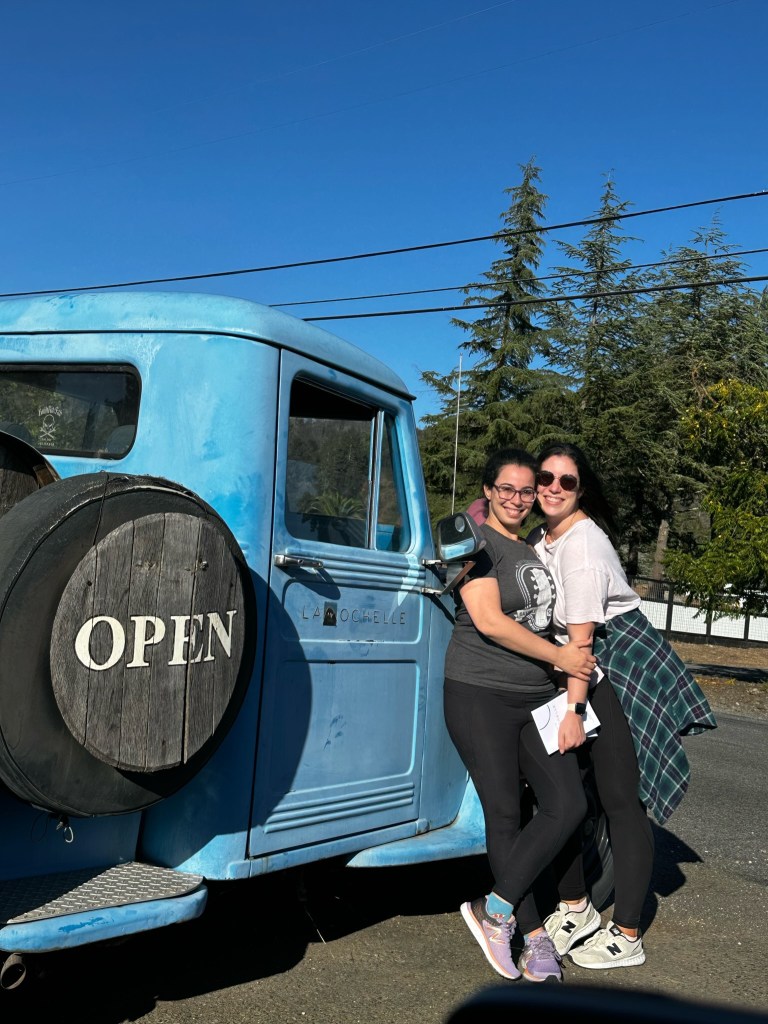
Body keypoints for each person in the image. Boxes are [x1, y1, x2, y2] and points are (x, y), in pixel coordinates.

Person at [528, 442, 716, 970]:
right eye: (546, 478)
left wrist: (572, 713)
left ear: (581, 488)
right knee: (570, 791)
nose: (554, 488)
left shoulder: (582, 547)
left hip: (615, 665)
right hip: (581, 665)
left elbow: (582, 643)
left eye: (567, 481)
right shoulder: (544, 537)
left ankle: (628, 933)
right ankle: (576, 907)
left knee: (620, 799)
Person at [444, 447, 597, 983]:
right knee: (506, 814)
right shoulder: (476, 542)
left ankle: (494, 909)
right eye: (506, 488)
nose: (517, 498)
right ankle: (532, 935)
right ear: (488, 490)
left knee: (568, 803)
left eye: (526, 490)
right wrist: (563, 658)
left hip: (535, 696)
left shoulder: (530, 546)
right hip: (479, 693)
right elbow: (488, 620)